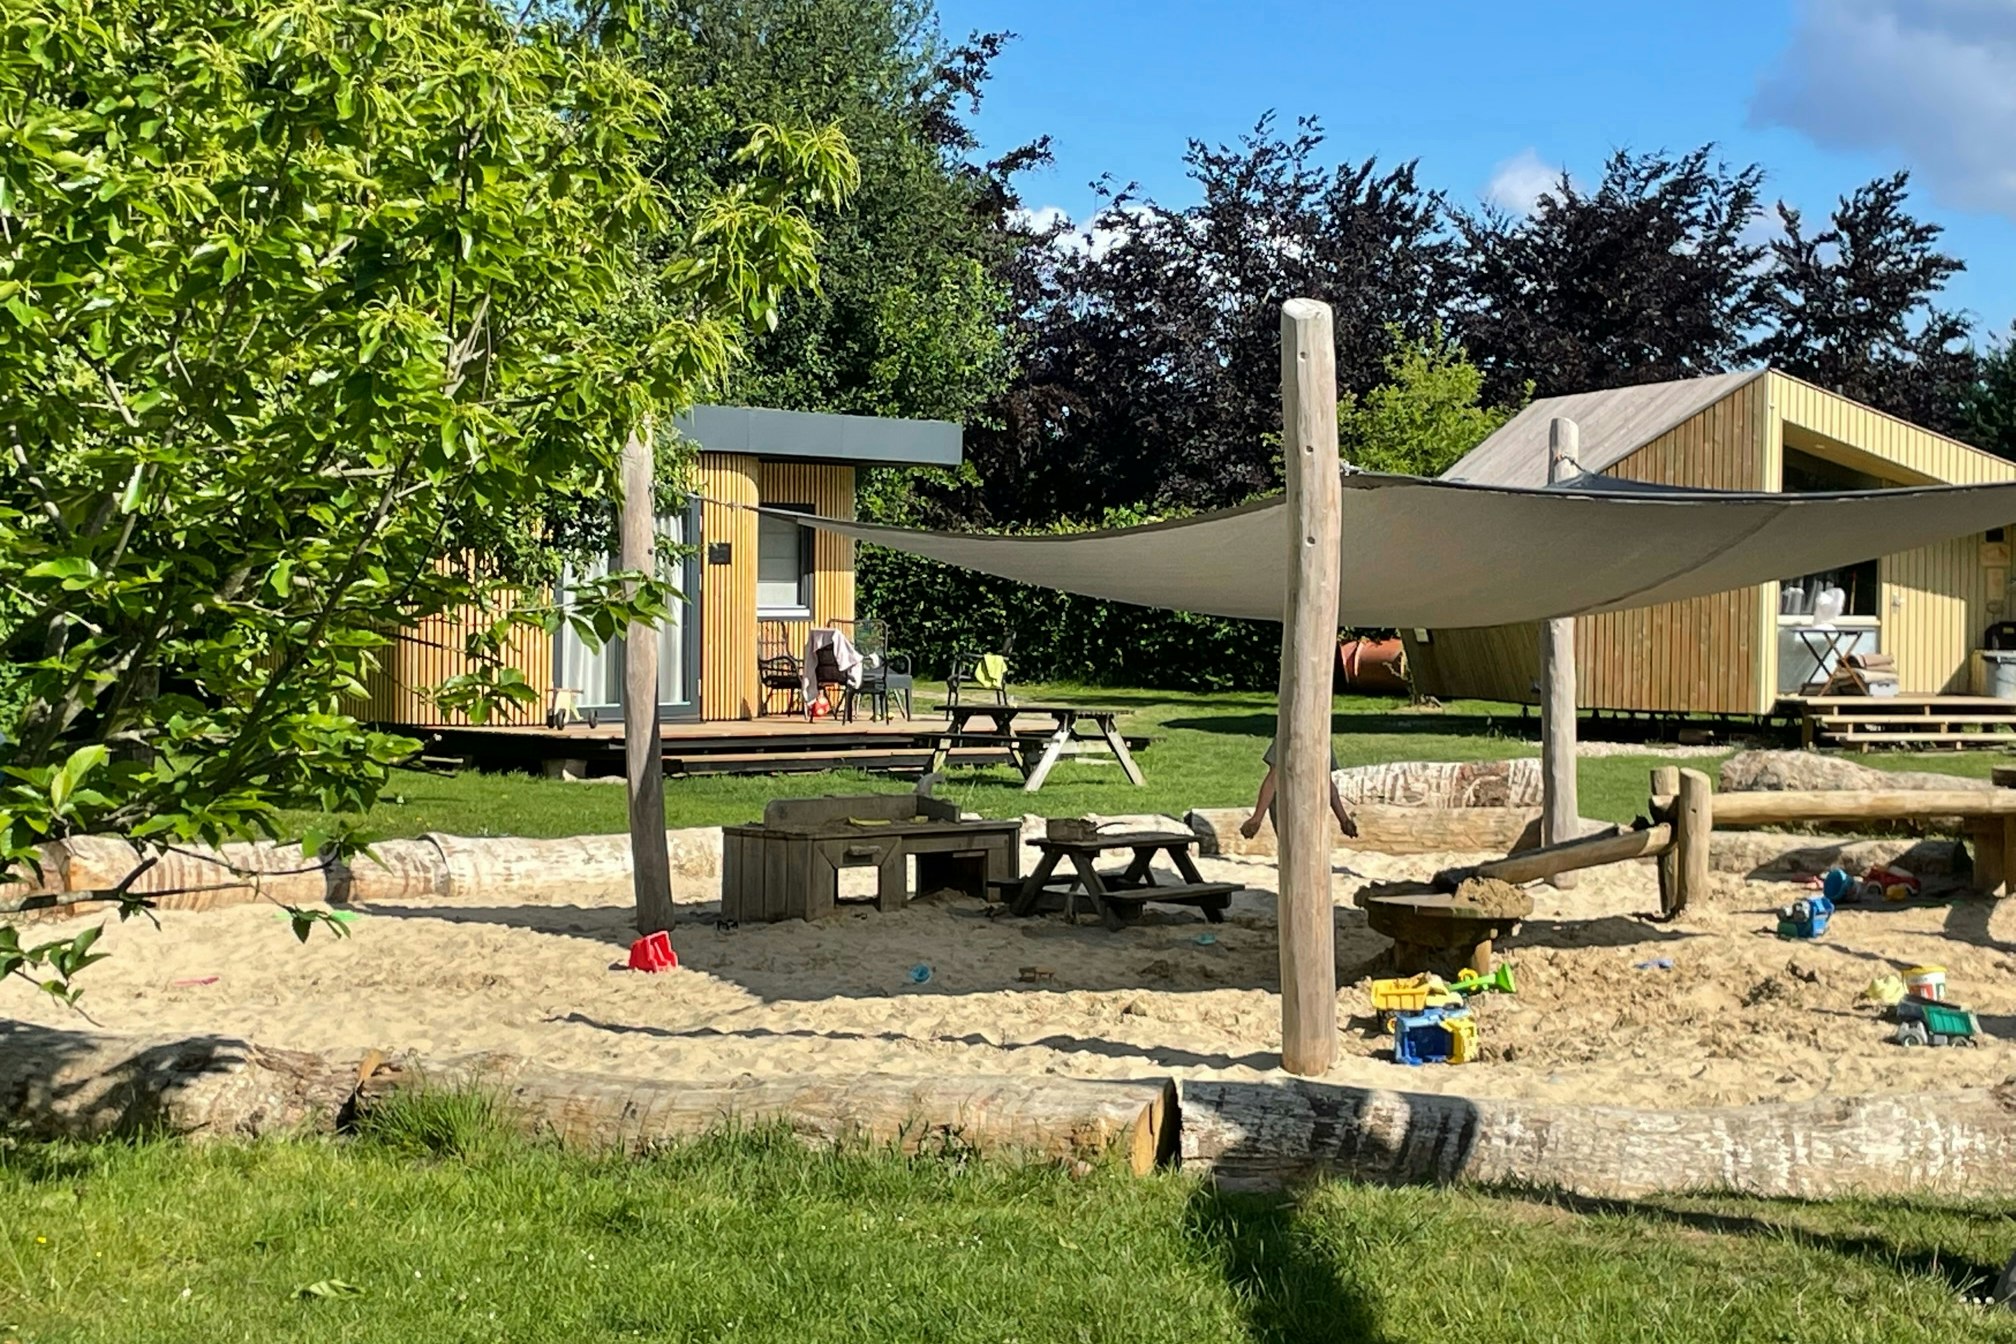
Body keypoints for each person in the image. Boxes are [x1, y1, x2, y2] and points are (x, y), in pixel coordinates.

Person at [1241, 735, 1357, 840]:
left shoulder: (1322, 738)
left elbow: (1326, 782)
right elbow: (1273, 779)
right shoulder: (1286, 735)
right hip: (1285, 804)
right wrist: (1256, 820)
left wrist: (1344, 820)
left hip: (1311, 805)